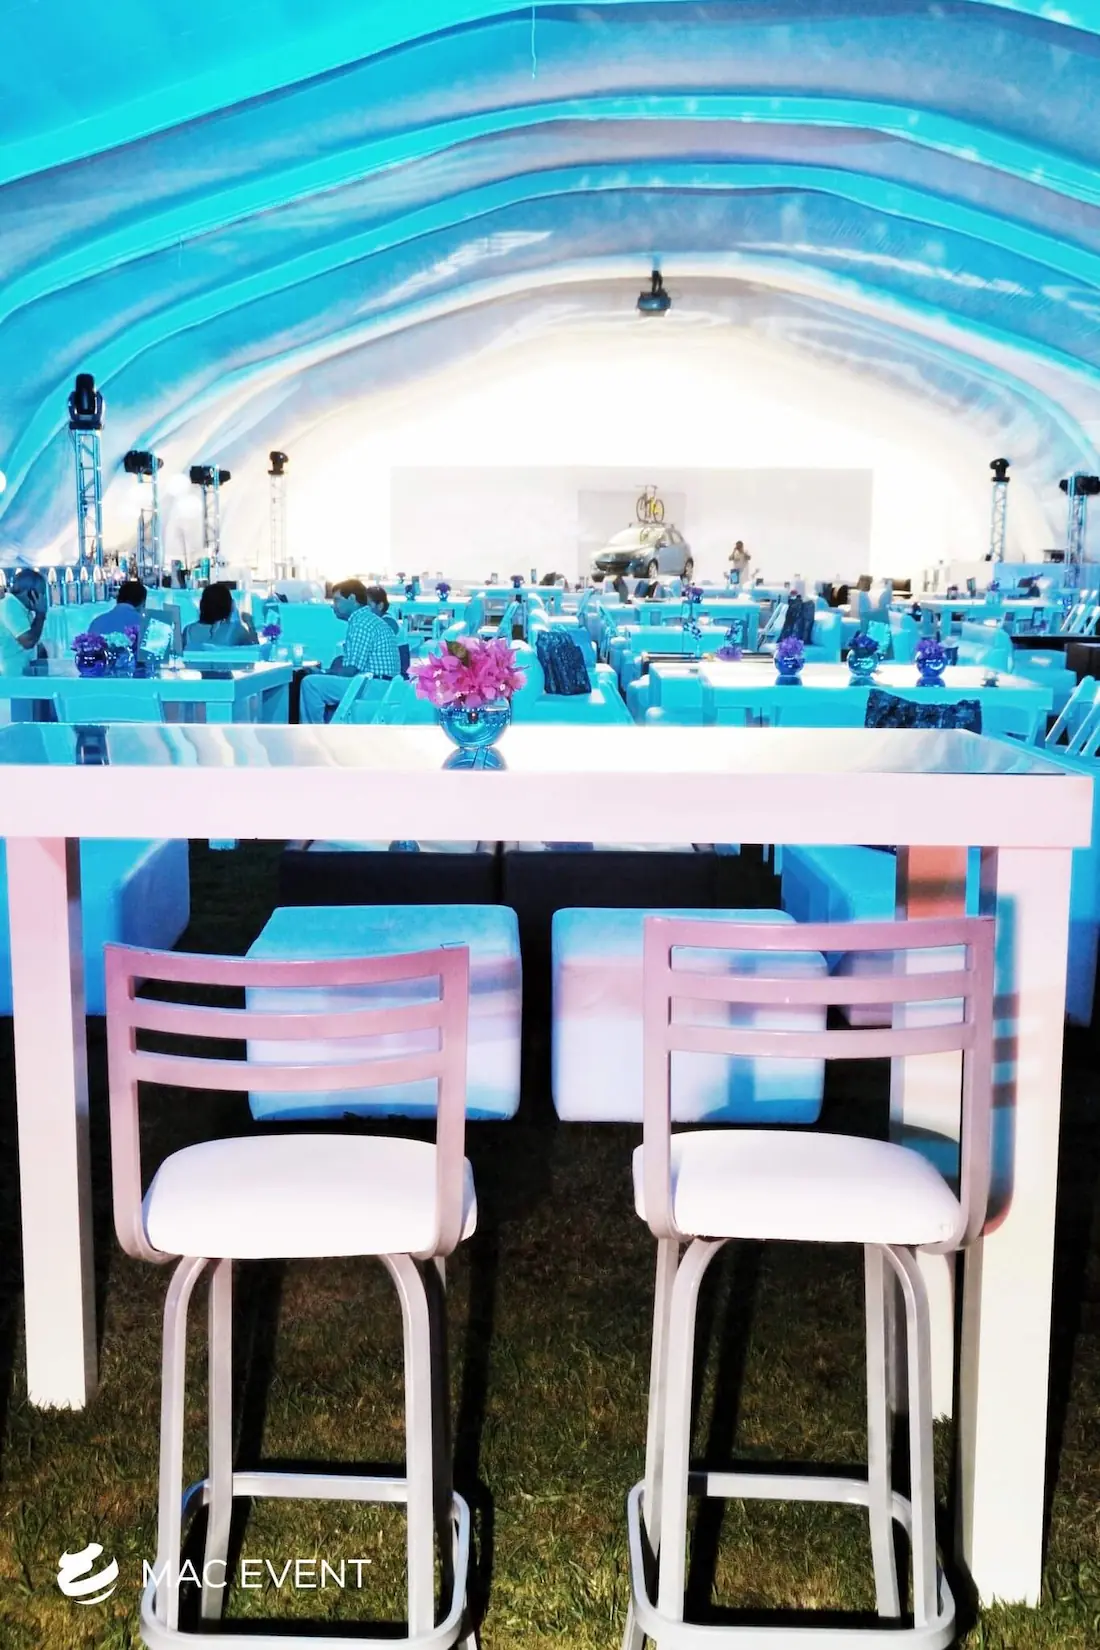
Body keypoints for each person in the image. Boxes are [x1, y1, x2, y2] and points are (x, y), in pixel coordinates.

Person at [299, 580, 402, 724]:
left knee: (311, 684)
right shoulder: (369, 619)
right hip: (382, 685)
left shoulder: (361, 623)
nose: (333, 605)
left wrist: (324, 673)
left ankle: (313, 733)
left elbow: (351, 670)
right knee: (320, 683)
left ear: (352, 598)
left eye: (337, 600)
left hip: (373, 687)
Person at [182, 582, 258, 650]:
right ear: (229, 605)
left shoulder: (188, 631)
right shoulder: (235, 630)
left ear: (202, 605)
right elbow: (256, 651)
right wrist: (250, 624)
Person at [0, 567, 47, 676]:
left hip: (22, 674)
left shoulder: (23, 609)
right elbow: (28, 642)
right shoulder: (10, 604)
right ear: (32, 593)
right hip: (11, 675)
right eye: (41, 594)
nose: (43, 599)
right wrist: (41, 614)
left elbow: (36, 643)